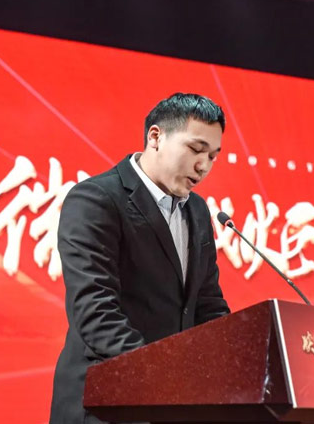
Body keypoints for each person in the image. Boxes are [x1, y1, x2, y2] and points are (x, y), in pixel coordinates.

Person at [49, 92, 231, 424]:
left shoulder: (198, 210)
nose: (203, 165)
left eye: (213, 156)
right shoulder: (96, 199)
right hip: (106, 404)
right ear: (156, 137)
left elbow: (207, 303)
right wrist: (164, 379)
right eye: (195, 149)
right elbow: (96, 310)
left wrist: (234, 361)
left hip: (172, 406)